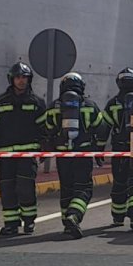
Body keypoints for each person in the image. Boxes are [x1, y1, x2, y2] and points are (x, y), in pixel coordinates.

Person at [0, 62, 47, 235]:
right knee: (7, 189)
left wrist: (44, 147)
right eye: (18, 77)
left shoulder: (37, 103)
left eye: (24, 77)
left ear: (29, 80)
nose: (21, 81)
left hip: (27, 154)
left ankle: (29, 221)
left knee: (25, 188)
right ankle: (11, 223)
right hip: (6, 155)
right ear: (12, 79)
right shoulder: (0, 102)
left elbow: (44, 128)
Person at [42, 72, 107, 239]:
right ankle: (74, 215)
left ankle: (67, 224)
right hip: (82, 156)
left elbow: (47, 130)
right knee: (84, 188)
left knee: (66, 189)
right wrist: (99, 150)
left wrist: (49, 148)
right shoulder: (90, 106)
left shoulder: (53, 107)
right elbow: (102, 129)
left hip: (63, 157)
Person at [104, 68, 133, 231]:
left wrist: (99, 147)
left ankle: (118, 217)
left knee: (119, 182)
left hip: (119, 150)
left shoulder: (112, 103)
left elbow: (104, 128)